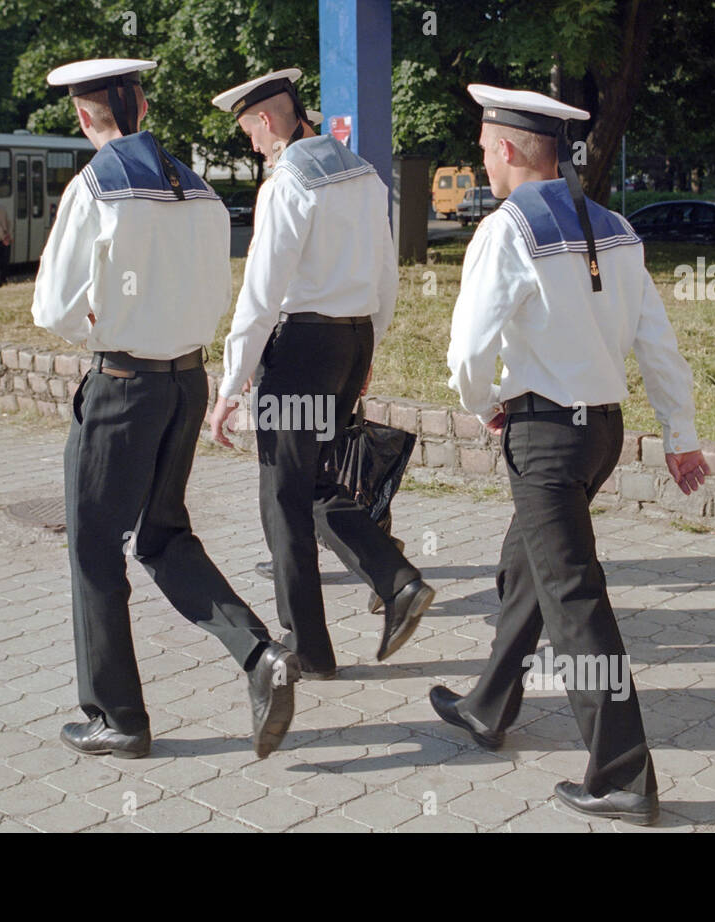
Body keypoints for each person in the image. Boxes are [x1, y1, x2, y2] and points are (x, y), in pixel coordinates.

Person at [434, 86, 711, 825]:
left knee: (574, 602)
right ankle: (487, 706)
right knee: (527, 569)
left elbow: (467, 351)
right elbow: (657, 343)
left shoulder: (505, 231)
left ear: (510, 149)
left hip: (545, 437)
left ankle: (622, 776)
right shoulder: (618, 228)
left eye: (486, 147)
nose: (482, 160)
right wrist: (679, 437)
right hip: (600, 436)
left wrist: (481, 402)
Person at [32, 58, 299, 761]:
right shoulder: (202, 189)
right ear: (143, 107)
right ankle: (260, 652)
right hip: (186, 383)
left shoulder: (94, 188)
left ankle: (119, 716)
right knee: (161, 535)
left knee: (94, 549)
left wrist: (97, 325)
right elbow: (216, 298)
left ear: (87, 116)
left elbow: (52, 308)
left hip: (122, 386)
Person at [208, 69, 435, 681]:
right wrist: (366, 351)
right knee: (314, 484)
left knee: (283, 494)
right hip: (352, 339)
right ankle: (395, 582)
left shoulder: (287, 183)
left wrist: (231, 385)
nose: (253, 148)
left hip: (302, 346)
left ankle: (311, 644)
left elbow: (262, 292)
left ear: (268, 121)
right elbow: (385, 275)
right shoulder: (364, 174)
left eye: (249, 134)